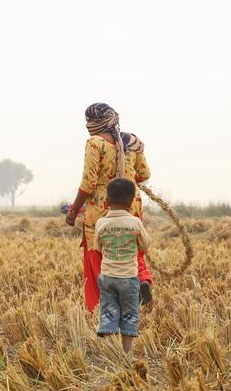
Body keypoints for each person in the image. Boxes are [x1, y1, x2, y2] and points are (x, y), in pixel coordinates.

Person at [65, 102, 153, 313]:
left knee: (99, 257)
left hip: (102, 210)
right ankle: (142, 280)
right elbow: (144, 174)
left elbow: (88, 183)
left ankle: (102, 310)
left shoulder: (95, 143)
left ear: (93, 123)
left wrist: (73, 211)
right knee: (132, 251)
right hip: (131, 207)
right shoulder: (132, 141)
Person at [94, 178, 149, 353]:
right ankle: (126, 352)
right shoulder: (135, 222)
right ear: (131, 202)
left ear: (107, 202)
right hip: (128, 278)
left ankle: (110, 350)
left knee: (109, 310)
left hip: (107, 276)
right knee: (129, 313)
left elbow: (97, 246)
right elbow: (145, 245)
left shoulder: (101, 223)